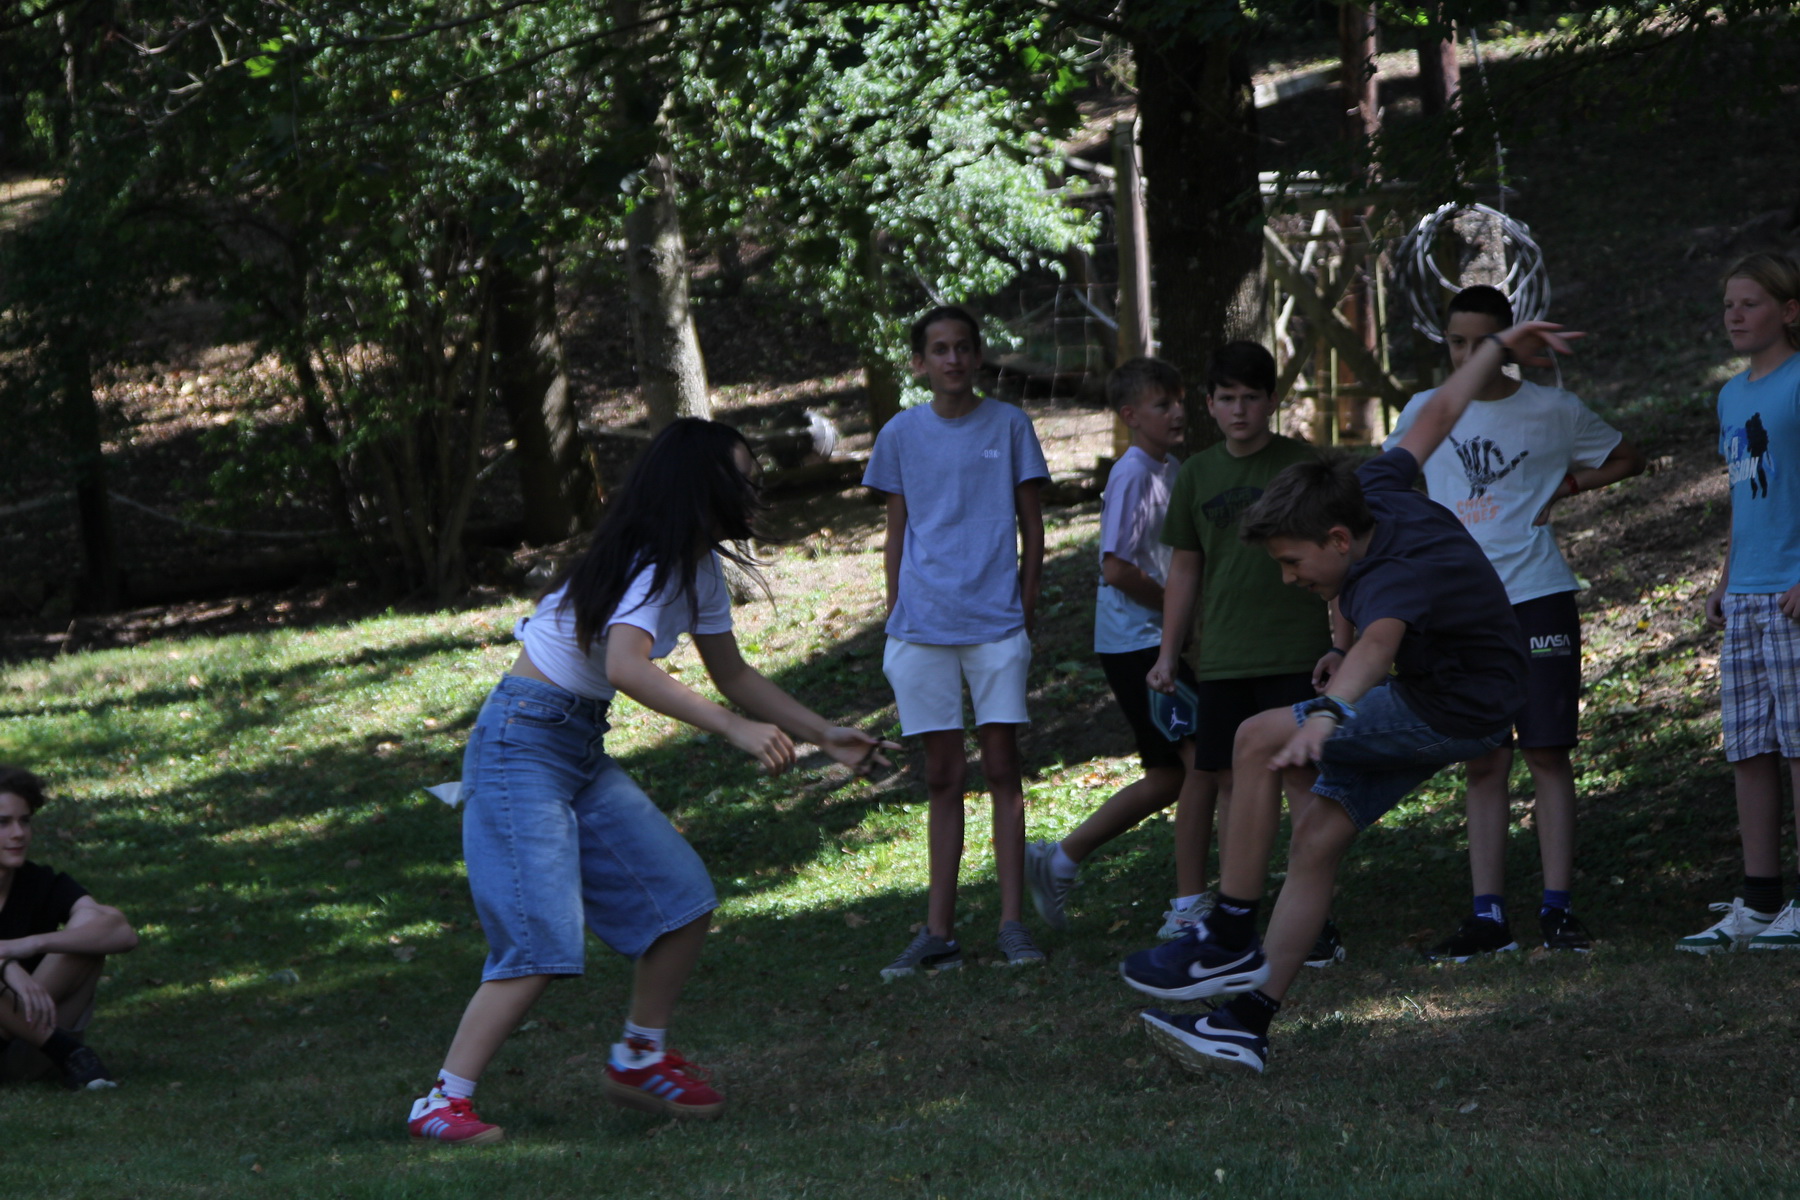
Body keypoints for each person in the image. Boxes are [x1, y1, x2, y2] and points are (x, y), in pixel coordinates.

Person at [408, 419, 893, 1145]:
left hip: (574, 744)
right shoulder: (650, 560)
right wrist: (733, 730)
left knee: (680, 899)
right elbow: (626, 668)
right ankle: (442, 1101)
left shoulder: (695, 566)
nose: (754, 488)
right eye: (740, 477)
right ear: (698, 486)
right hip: (522, 743)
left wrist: (825, 734)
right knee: (539, 936)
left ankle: (639, 1056)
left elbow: (734, 673)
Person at [1119, 321, 1576, 1075]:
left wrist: (1330, 712)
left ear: (1336, 539)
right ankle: (1245, 1025)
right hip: (1460, 699)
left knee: (1255, 738)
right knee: (1316, 838)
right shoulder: (1374, 489)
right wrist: (1496, 348)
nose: (1289, 578)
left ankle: (1228, 932)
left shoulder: (1389, 575)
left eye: (1293, 562)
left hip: (1452, 709)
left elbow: (1378, 645)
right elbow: (1438, 413)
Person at [1383, 286, 1644, 960]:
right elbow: (1387, 493)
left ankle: (1558, 909)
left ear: (1509, 343)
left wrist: (1572, 485)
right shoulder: (1425, 411)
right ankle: (1488, 917)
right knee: (1484, 758)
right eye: (1456, 342)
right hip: (1460, 610)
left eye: (1482, 341)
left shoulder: (1554, 410)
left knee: (1547, 753)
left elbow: (1627, 457)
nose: (1467, 354)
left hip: (1537, 597)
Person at [863, 305, 1050, 977]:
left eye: (963, 347)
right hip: (922, 628)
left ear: (978, 355)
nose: (952, 359)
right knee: (943, 776)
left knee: (1002, 768)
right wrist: (896, 611)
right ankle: (938, 933)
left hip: (996, 624)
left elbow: (1034, 528)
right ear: (919, 362)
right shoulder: (899, 433)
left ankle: (1011, 925)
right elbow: (896, 531)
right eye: (939, 349)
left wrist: (1025, 606)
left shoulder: (1010, 424)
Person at [1143, 343, 1340, 960]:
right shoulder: (1196, 473)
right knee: (1231, 785)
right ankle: (1236, 919)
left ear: (1272, 401)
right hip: (1223, 657)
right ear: (1208, 404)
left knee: (1303, 781)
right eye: (1226, 398)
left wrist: (1341, 642)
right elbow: (1184, 569)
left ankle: (1314, 923)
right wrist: (1168, 653)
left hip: (1297, 652)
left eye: (1251, 397)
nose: (1239, 410)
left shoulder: (1300, 465)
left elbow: (1340, 560)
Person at [1024, 357, 1189, 928]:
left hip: (1159, 638)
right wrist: (1176, 608)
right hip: (1136, 645)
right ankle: (1191, 905)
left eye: (1179, 401)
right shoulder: (1133, 473)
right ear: (1130, 415)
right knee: (1199, 766)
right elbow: (1116, 568)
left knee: (1172, 775)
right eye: (1163, 404)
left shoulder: (1170, 468)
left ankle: (1059, 861)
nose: (1177, 412)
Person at [1678, 252, 1800, 953]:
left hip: (1792, 595)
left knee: (1799, 746)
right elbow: (1743, 496)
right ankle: (1758, 903)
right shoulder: (1730, 396)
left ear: (1789, 310)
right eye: (1729, 304)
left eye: (1750, 303)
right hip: (1747, 596)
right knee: (1749, 748)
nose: (1735, 315)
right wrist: (1726, 578)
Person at [0, 765, 139, 1091]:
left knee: (90, 929)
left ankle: (62, 1051)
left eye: (25, 821)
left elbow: (121, 932)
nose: (18, 833)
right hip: (52, 1046)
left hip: (28, 1048)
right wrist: (6, 967)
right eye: (2, 823)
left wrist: (30, 944)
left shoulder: (39, 882)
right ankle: (71, 1052)